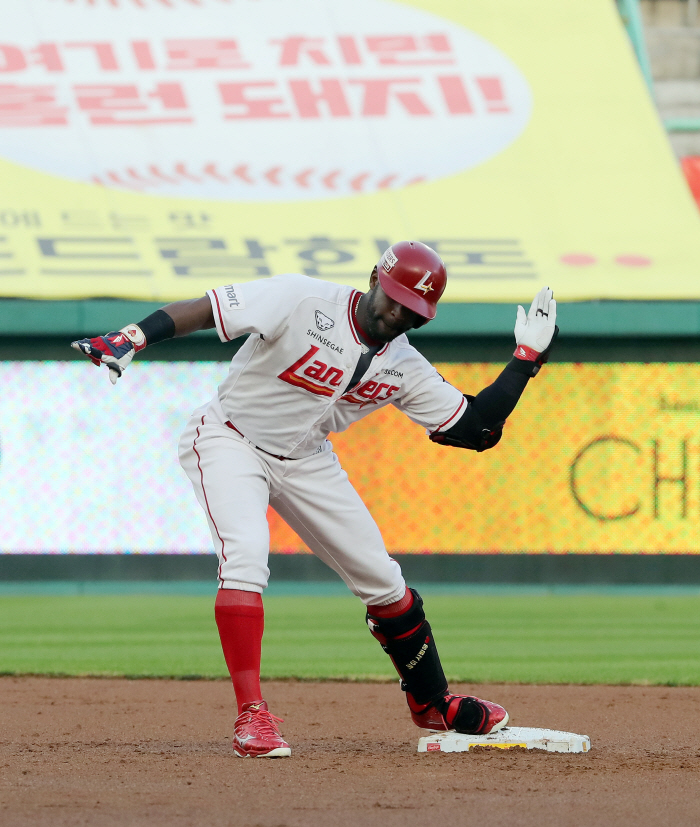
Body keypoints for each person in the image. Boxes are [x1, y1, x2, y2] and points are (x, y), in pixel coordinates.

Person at [72, 241, 558, 759]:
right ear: (374, 277)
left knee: (383, 581)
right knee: (245, 559)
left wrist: (526, 360)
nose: (398, 314)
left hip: (306, 458)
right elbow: (209, 307)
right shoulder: (302, 299)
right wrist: (134, 337)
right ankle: (251, 718)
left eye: (413, 312)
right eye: (393, 298)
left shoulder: (405, 365)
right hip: (230, 438)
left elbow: (476, 428)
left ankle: (434, 704)